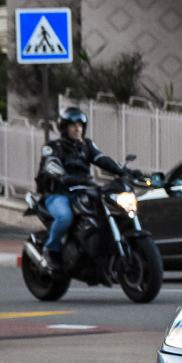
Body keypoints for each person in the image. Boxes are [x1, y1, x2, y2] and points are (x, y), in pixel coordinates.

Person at [37, 107, 129, 271]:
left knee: (106, 211)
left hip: (84, 191)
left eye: (80, 124)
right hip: (59, 194)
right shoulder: (53, 147)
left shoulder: (86, 145)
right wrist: (65, 177)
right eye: (73, 125)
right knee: (65, 217)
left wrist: (122, 171)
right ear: (65, 128)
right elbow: (51, 165)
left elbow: (101, 159)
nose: (77, 128)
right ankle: (51, 250)